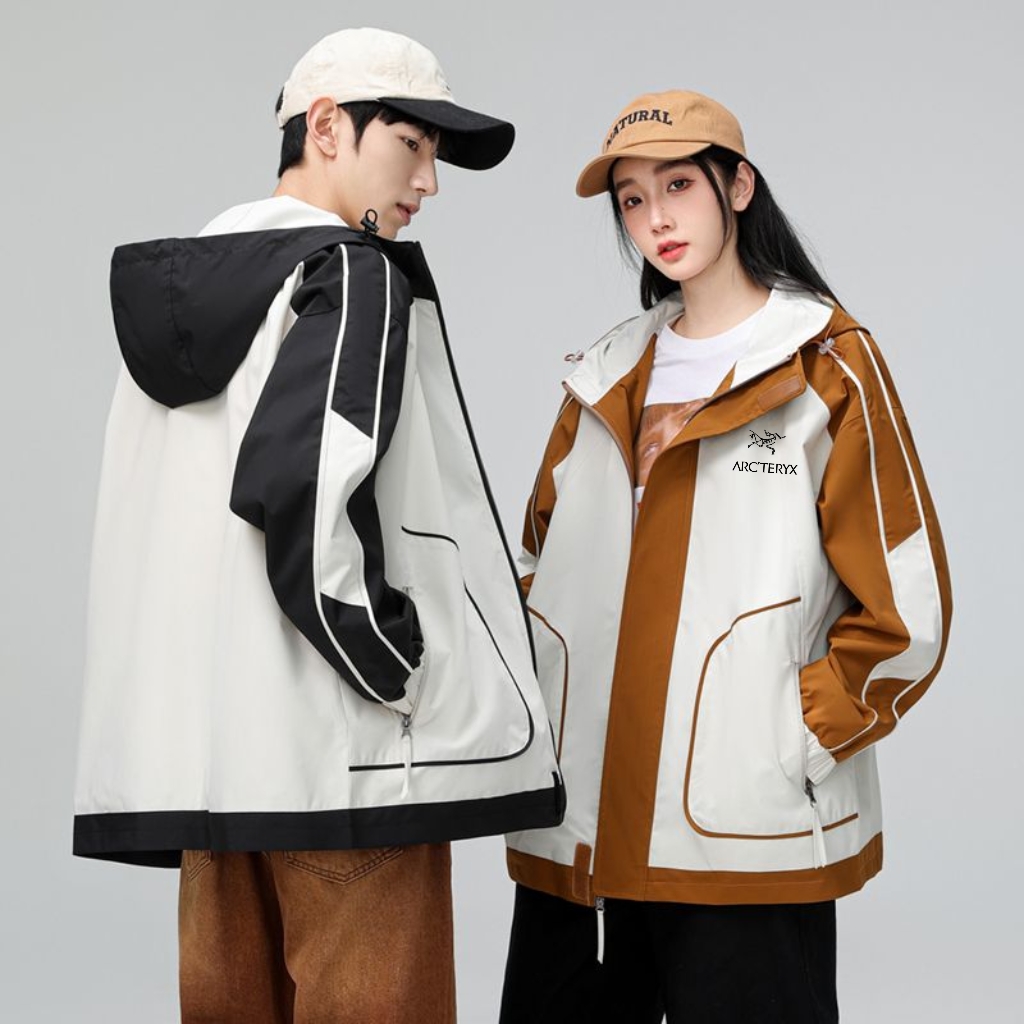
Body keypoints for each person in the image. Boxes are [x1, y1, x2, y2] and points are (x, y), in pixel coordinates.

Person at [73, 27, 563, 1024]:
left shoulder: (181, 302)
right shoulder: (351, 275)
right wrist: (395, 670)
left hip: (217, 779)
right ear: (328, 126)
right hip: (349, 770)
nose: (429, 181)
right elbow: (300, 488)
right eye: (412, 144)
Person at [501, 90, 952, 1023]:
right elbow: (538, 563)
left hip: (743, 828)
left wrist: (792, 737)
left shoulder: (825, 364)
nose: (655, 219)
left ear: (738, 187)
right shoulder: (604, 374)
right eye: (632, 199)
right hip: (583, 825)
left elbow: (907, 605)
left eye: (678, 186)